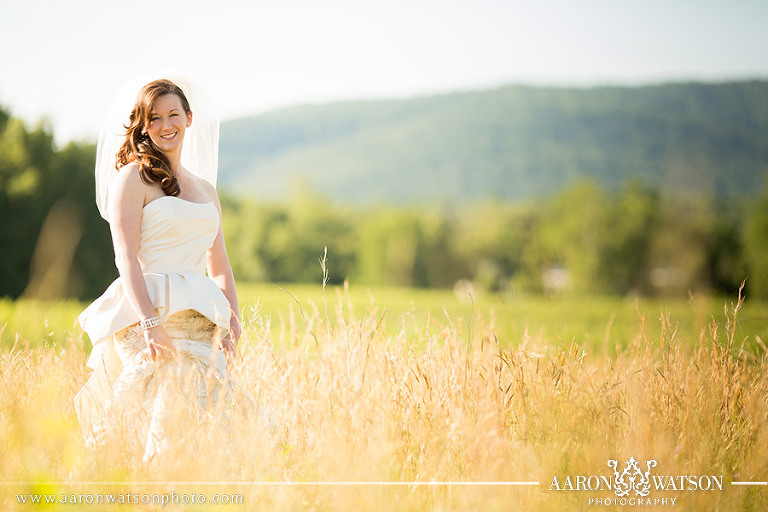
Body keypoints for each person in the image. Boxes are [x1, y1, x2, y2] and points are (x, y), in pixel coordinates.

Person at [74, 76, 243, 462]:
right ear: (143, 125)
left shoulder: (206, 190)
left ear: (189, 118)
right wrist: (151, 323)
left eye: (173, 115)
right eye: (155, 118)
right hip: (148, 313)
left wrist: (233, 322)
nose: (166, 126)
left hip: (200, 319)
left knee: (207, 414)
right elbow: (126, 258)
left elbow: (219, 265)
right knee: (159, 407)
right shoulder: (133, 178)